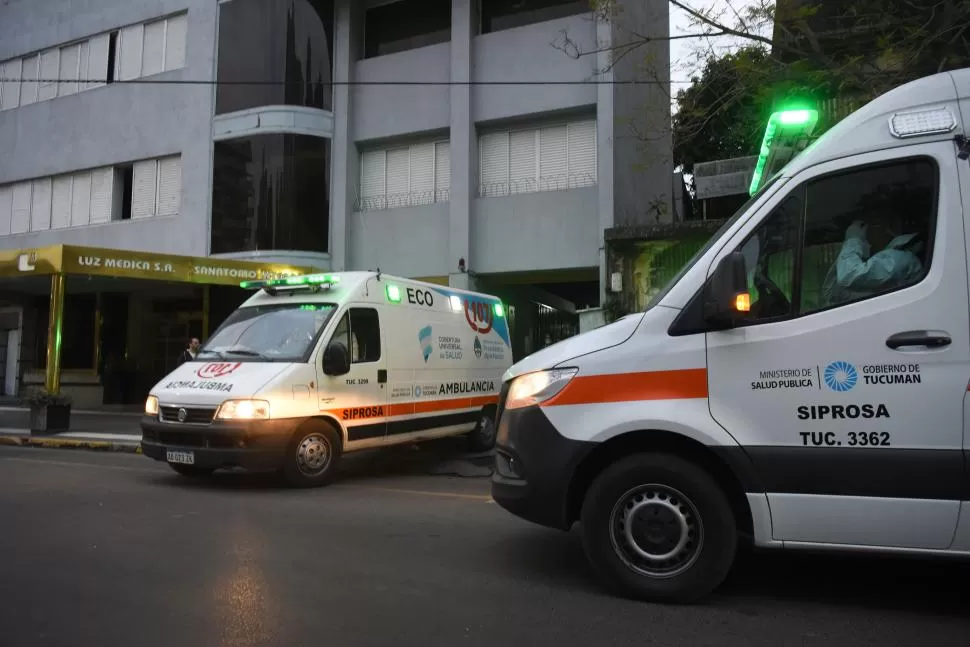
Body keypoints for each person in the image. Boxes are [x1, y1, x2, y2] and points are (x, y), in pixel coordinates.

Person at [821, 216, 923, 307]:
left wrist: (853, 240)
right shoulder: (885, 260)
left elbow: (848, 276)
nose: (865, 233)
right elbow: (831, 292)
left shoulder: (900, 259)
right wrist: (852, 247)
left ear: (888, 228)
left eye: (869, 226)